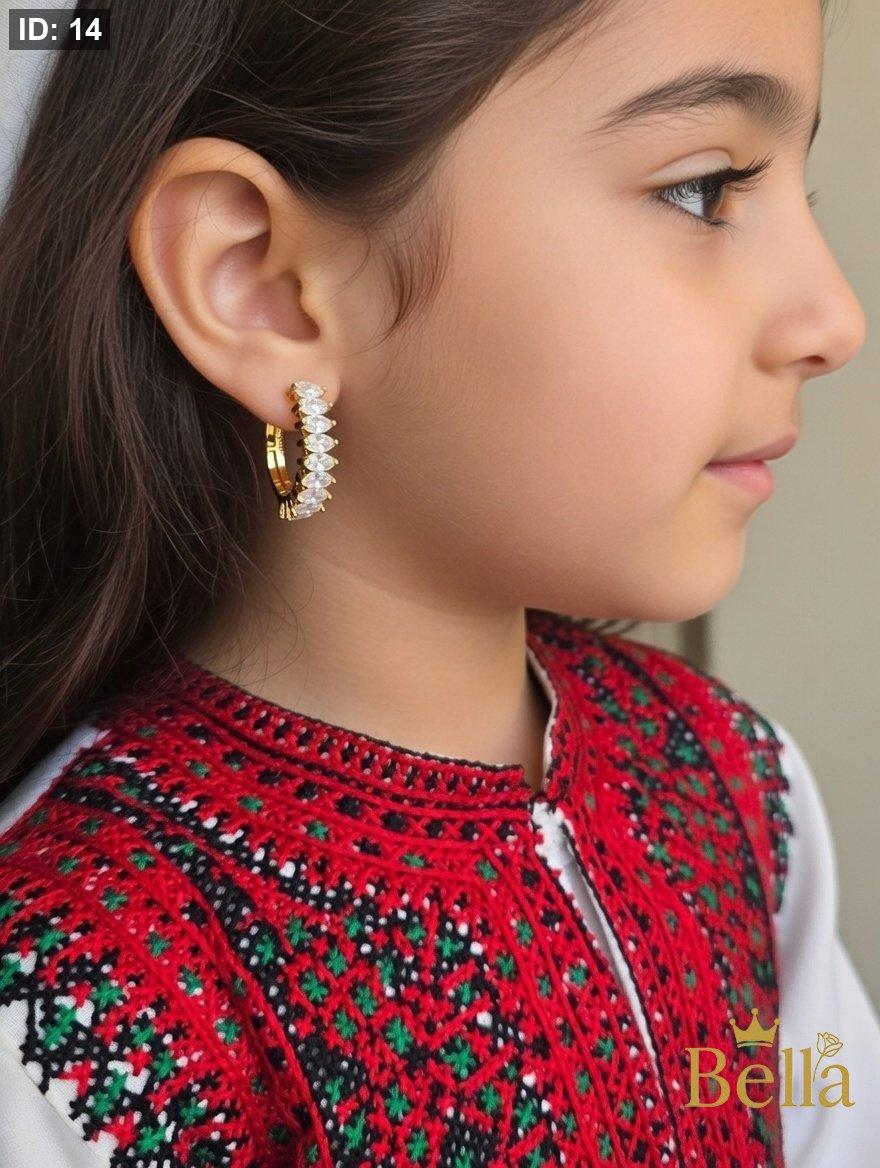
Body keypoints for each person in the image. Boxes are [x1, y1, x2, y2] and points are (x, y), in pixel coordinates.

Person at [0, 1, 877, 1166]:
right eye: (703, 189)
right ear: (262, 285)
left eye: (792, 185)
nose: (833, 320)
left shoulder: (731, 784)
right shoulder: (79, 986)